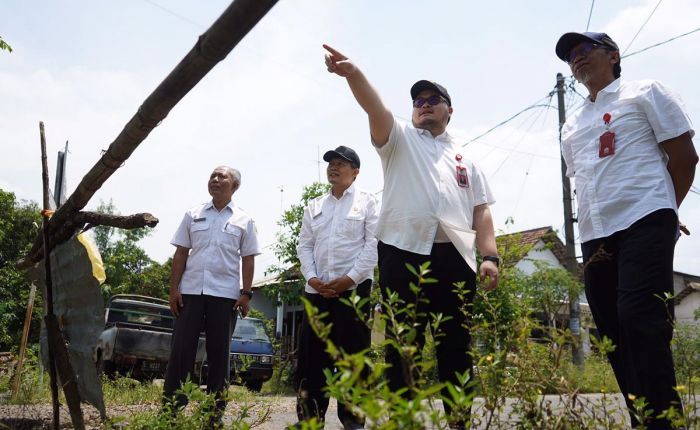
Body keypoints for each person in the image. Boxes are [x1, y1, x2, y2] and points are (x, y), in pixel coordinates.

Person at [323, 44, 499, 428]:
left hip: (456, 259)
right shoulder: (399, 139)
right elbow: (376, 109)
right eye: (418, 100)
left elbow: (481, 210)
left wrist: (490, 256)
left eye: (432, 99)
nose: (423, 104)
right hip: (403, 254)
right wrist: (353, 74)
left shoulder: (467, 159)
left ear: (449, 110)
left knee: (456, 345)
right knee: (404, 345)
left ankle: (458, 421)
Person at [555, 31, 698, 429]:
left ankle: (664, 423)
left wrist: (666, 210)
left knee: (640, 316)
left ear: (614, 55)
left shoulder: (644, 91)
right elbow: (582, 180)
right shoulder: (571, 125)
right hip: (595, 234)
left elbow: (684, 157)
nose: (577, 59)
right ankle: (643, 419)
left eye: (585, 50)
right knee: (613, 331)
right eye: (570, 57)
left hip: (645, 217)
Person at [163, 166, 261, 421]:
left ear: (234, 186)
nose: (215, 180)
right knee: (181, 352)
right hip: (191, 292)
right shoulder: (193, 214)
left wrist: (246, 293)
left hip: (225, 296)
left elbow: (248, 259)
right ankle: (172, 409)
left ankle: (214, 413)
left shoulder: (244, 220)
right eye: (212, 176)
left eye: (222, 177)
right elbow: (181, 254)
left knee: (219, 356)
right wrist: (174, 290)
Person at [294, 145, 379, 429]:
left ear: (355, 172)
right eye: (331, 162)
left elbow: (373, 245)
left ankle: (353, 421)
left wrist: (349, 279)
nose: (333, 167)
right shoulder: (314, 206)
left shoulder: (368, 203)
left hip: (353, 293)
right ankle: (310, 419)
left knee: (353, 359)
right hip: (316, 293)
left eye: (341, 163)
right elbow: (304, 245)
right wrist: (312, 278)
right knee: (311, 360)